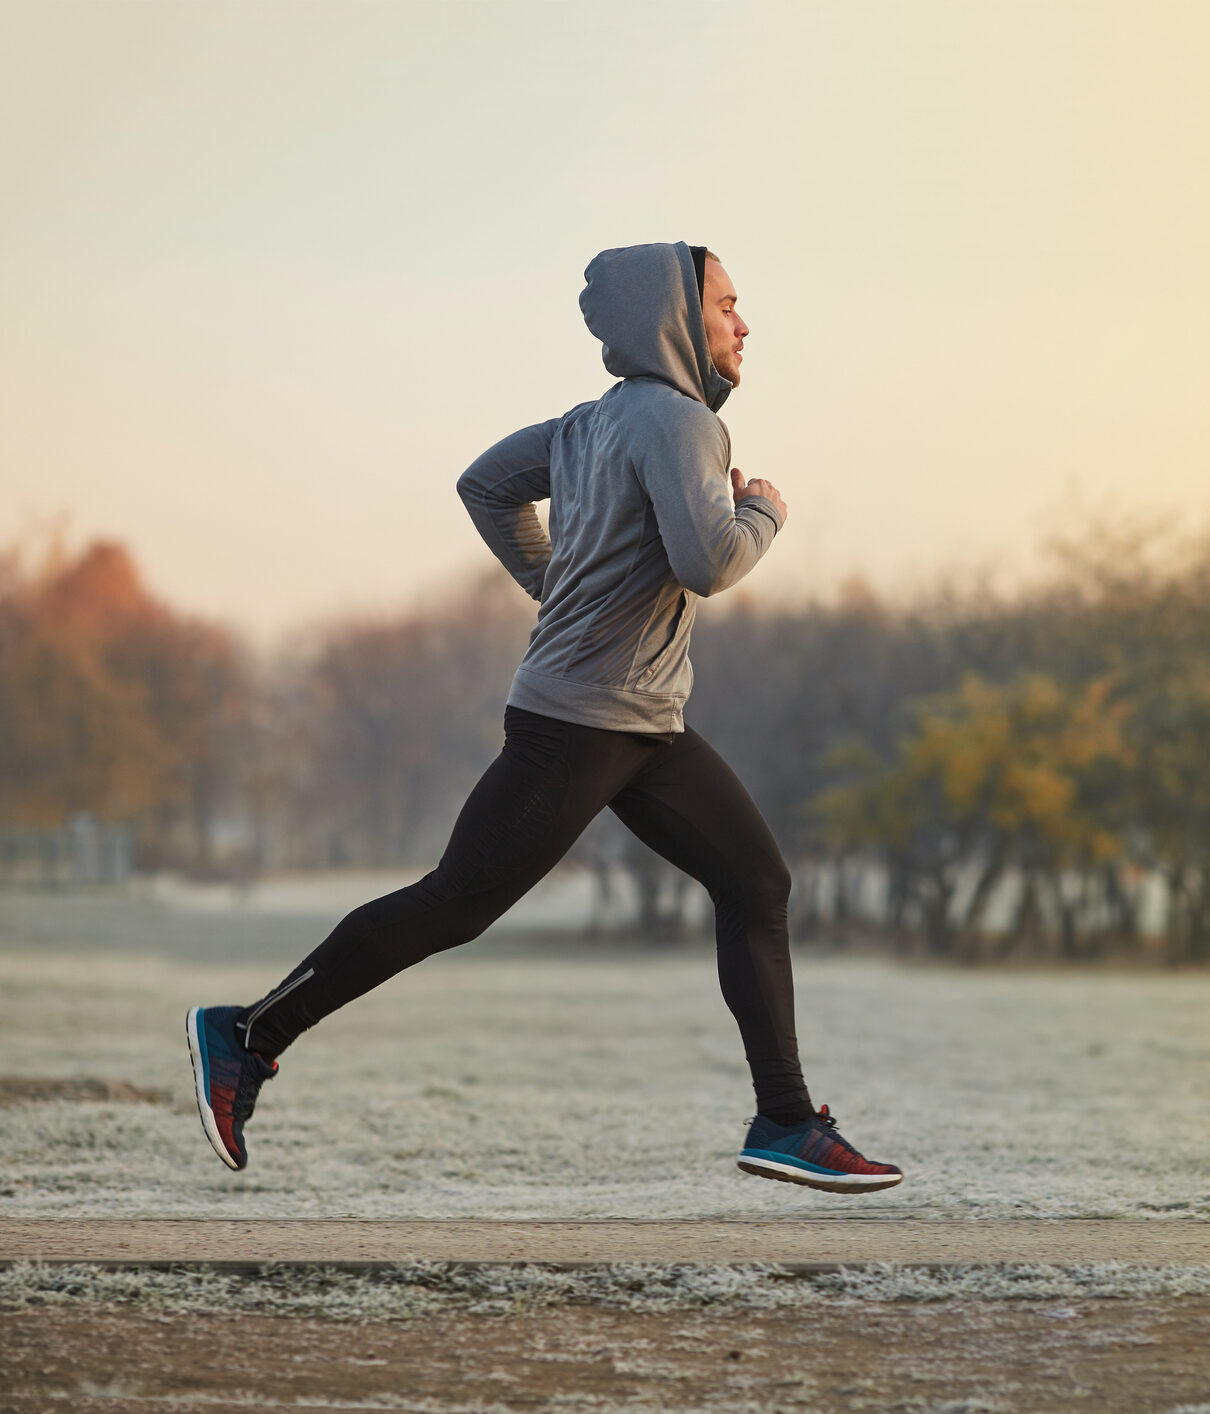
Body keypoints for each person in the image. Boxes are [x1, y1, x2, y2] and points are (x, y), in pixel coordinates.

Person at [185, 242, 901, 1195]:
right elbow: (709, 562)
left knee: (756, 881)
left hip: (644, 724)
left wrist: (551, 580)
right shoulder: (683, 425)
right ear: (679, 317)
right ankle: (245, 1036)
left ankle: (784, 1120)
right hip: (582, 724)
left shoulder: (591, 424)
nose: (742, 323)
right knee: (455, 902)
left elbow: (484, 482)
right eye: (727, 304)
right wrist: (764, 511)